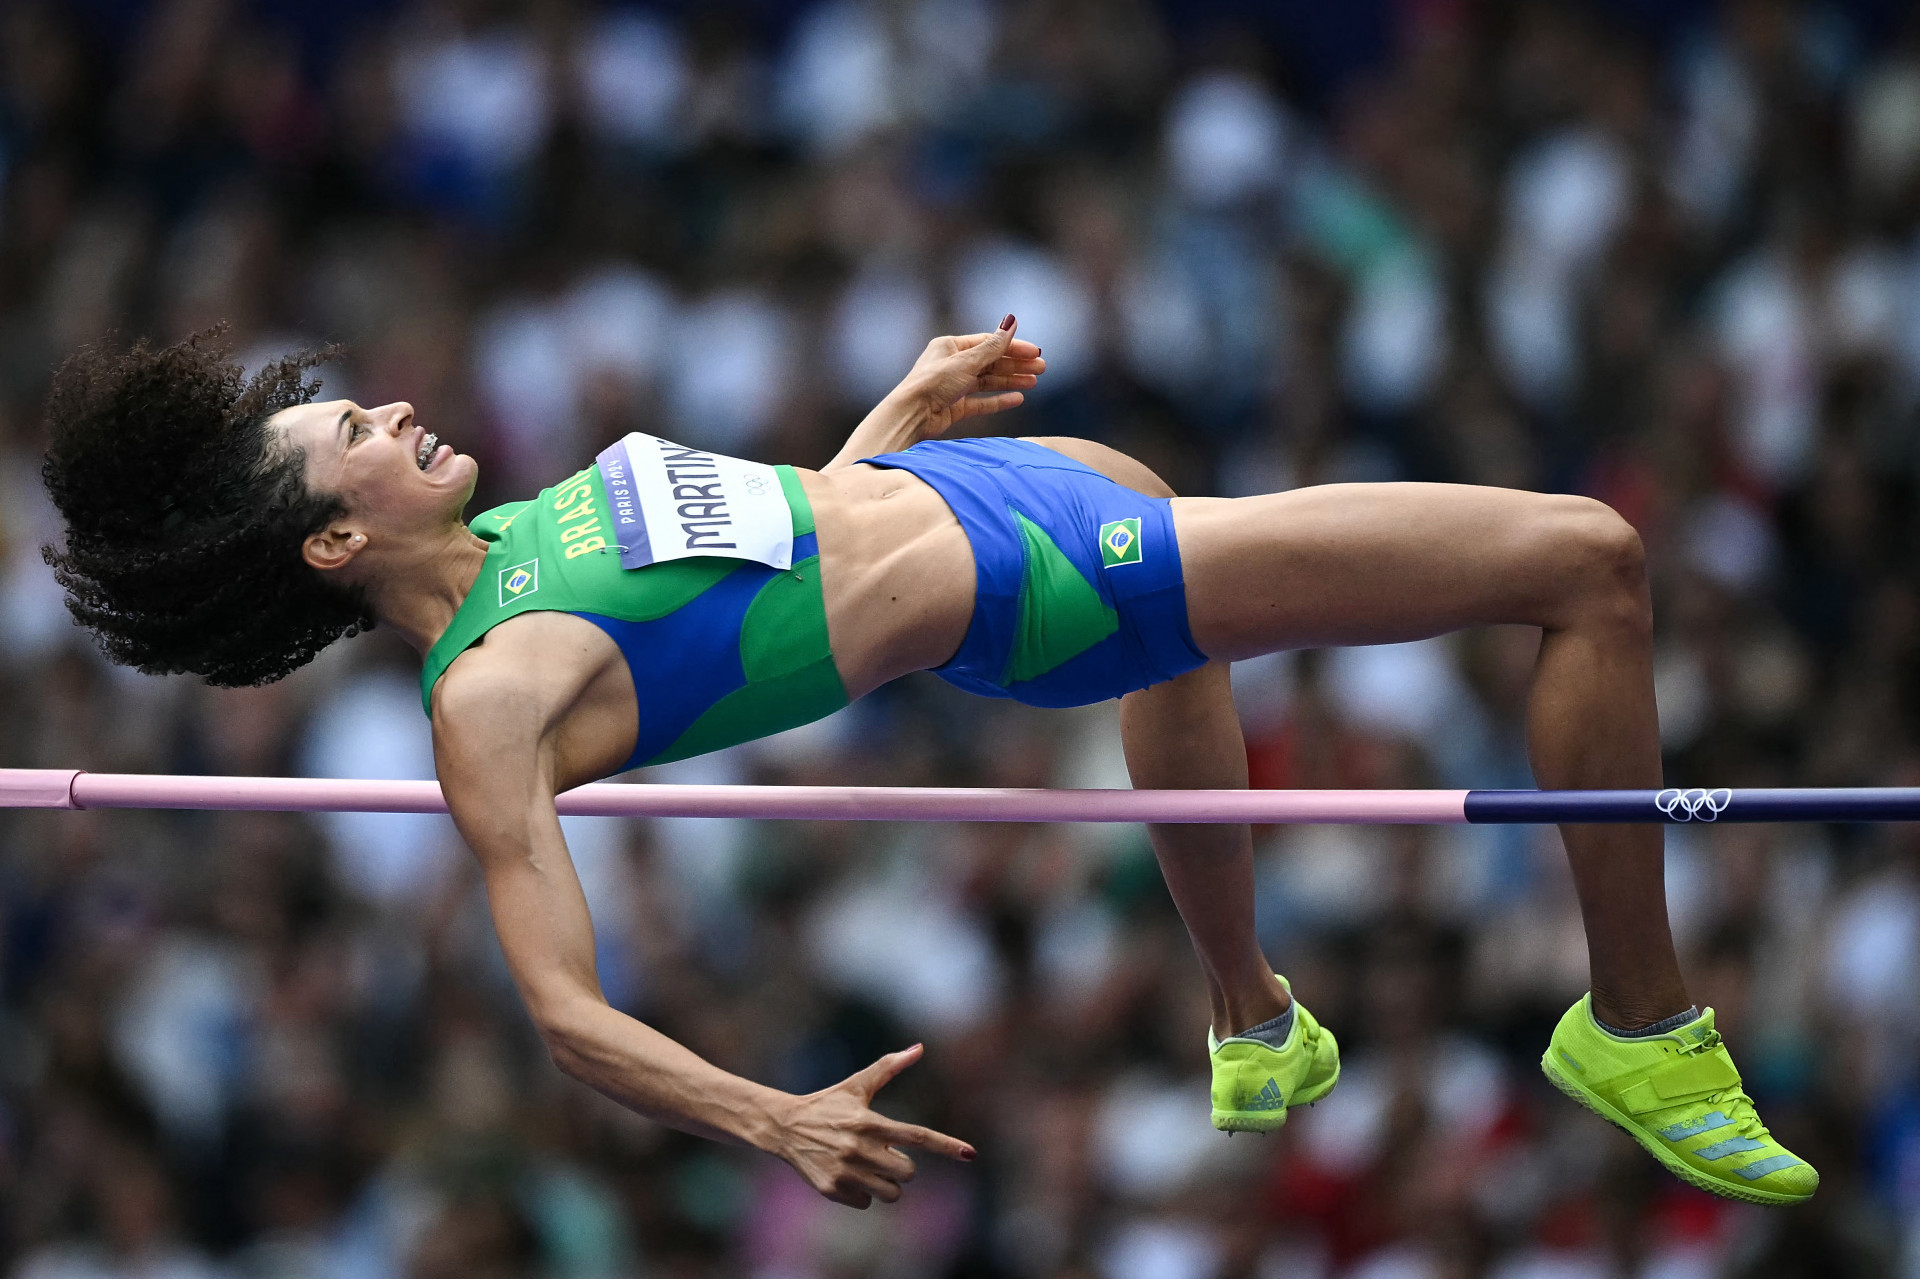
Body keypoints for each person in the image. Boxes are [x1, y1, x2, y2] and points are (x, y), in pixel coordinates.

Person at [42, 320, 1813, 1209]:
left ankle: (1252, 1021)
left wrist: (890, 415)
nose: (387, 411)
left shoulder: (520, 530)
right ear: (333, 548)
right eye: (350, 436)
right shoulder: (487, 694)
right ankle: (1641, 1031)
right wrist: (769, 1114)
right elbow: (564, 1012)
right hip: (1040, 588)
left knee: (1209, 648)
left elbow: (776, 565)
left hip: (985, 497)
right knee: (1589, 561)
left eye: (357, 401)